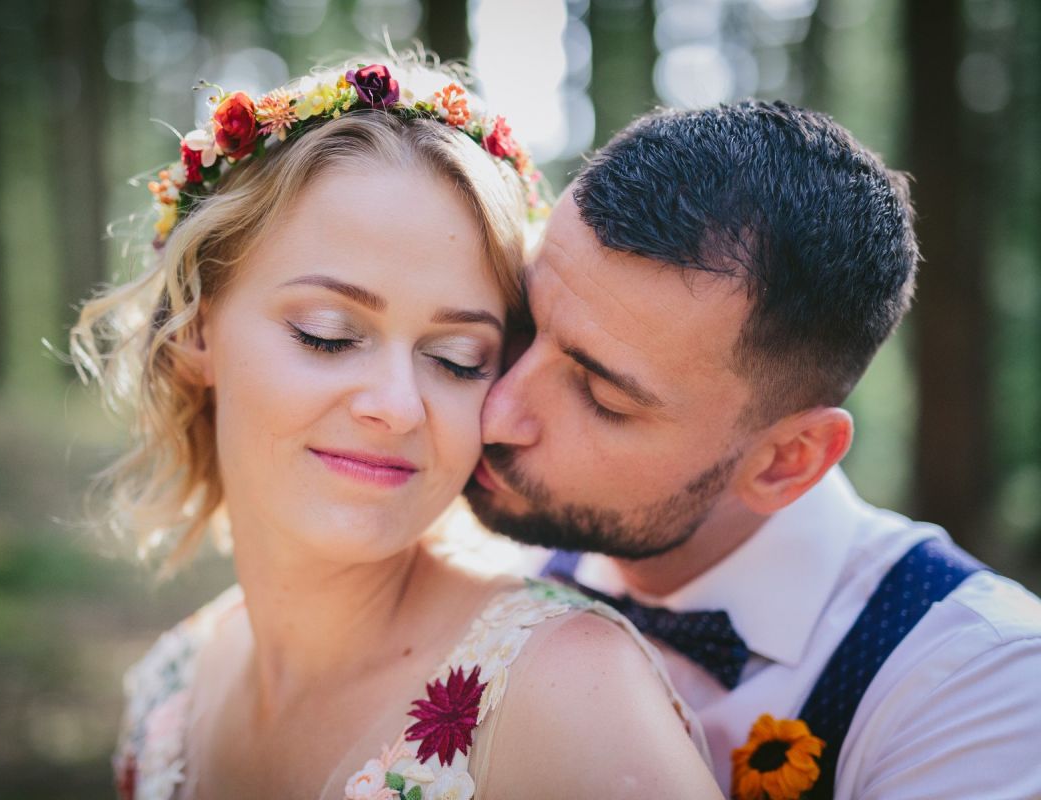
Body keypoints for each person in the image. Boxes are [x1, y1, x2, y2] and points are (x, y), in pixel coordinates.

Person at [71, 59, 721, 800]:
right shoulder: (169, 692)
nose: (399, 406)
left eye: (456, 359)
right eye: (327, 335)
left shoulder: (568, 695)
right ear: (197, 327)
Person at [464, 100, 1041, 799]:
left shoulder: (980, 683)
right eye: (524, 323)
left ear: (786, 460)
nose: (494, 414)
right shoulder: (488, 570)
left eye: (603, 397)